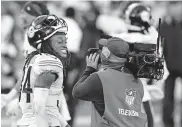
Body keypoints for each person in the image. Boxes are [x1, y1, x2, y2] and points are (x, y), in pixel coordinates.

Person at [111, 3, 165, 127]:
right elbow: (161, 72)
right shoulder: (152, 40)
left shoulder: (118, 38)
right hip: (142, 92)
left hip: (118, 93)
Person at [73, 37, 147, 127]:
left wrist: (89, 70)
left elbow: (77, 92)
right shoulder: (137, 81)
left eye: (103, 49)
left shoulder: (99, 78)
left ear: (107, 54)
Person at [17, 14, 70, 127]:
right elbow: (39, 107)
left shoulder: (34, 59)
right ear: (44, 43)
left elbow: (49, 108)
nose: (65, 45)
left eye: (65, 41)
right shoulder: (50, 62)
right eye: (59, 41)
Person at [161, 2, 182, 127]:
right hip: (169, 67)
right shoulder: (164, 25)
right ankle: (168, 123)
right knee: (168, 99)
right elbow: (161, 47)